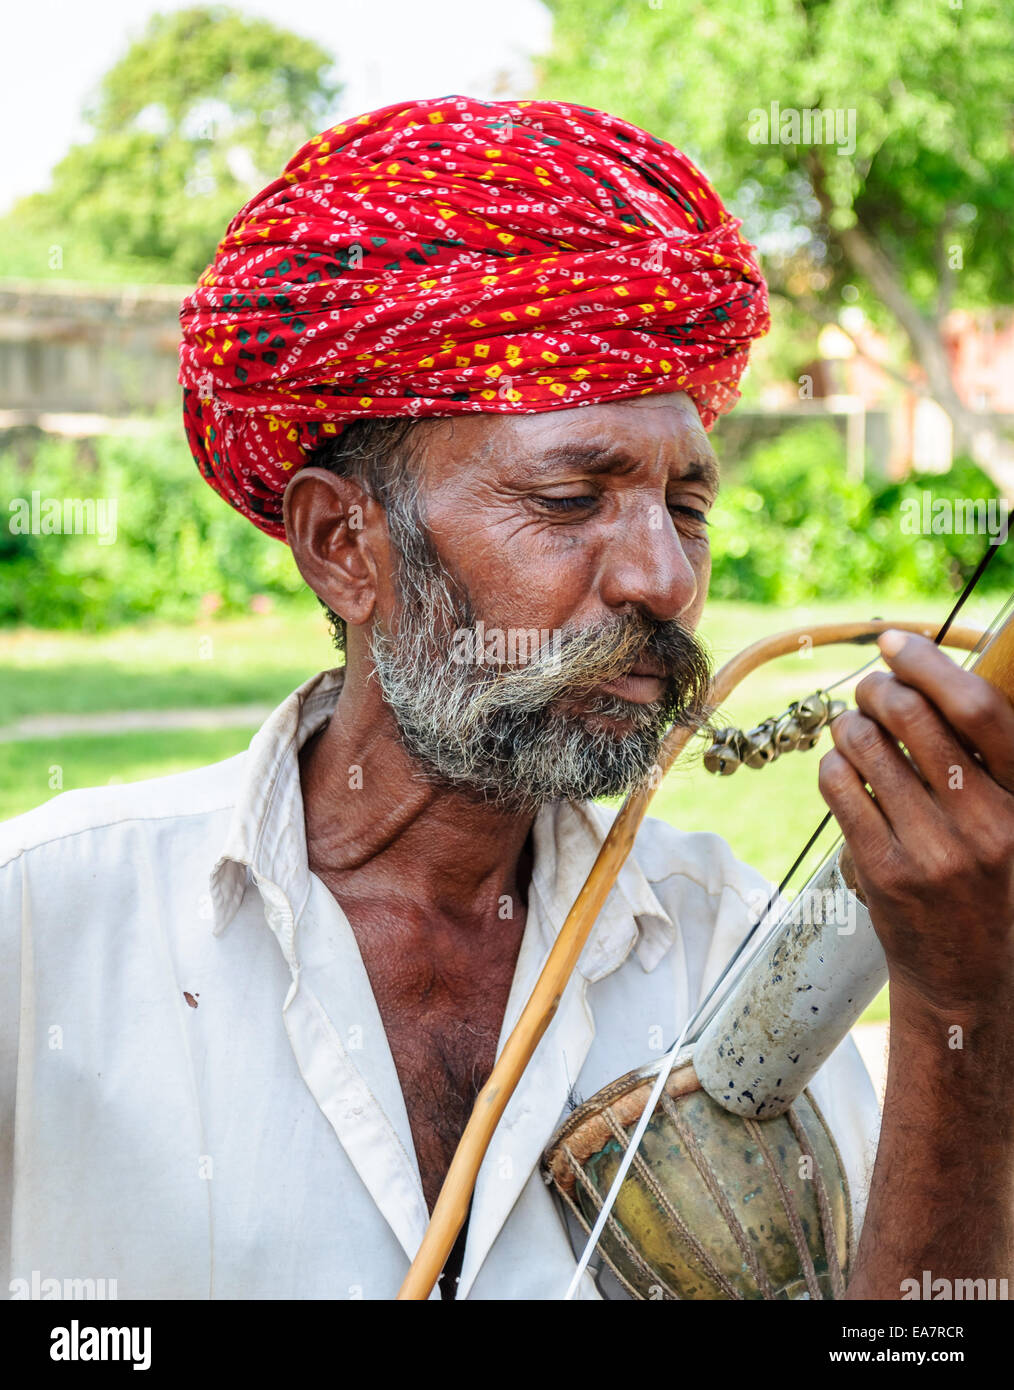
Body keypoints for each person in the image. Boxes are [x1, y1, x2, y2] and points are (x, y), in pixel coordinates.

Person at [2, 96, 1011, 1302]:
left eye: (687, 508)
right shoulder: (46, 930)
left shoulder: (729, 946)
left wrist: (966, 1004)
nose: (666, 576)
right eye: (574, 499)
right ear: (342, 545)